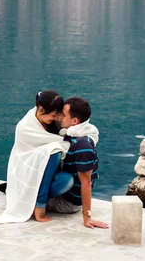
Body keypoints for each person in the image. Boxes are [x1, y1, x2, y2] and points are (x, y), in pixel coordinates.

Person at [0, 91, 73, 224]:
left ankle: (24, 192)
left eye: (57, 115)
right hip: (26, 172)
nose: (55, 118)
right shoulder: (24, 127)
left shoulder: (54, 122)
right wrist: (41, 205)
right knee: (54, 151)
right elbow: (23, 158)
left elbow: (73, 132)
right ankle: (38, 204)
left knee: (66, 181)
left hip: (47, 173)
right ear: (41, 110)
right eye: (53, 115)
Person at [46, 97, 109, 229]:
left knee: (25, 195)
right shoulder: (75, 134)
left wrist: (87, 217)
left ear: (75, 121)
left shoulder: (82, 145)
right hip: (65, 194)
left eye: (63, 114)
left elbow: (86, 182)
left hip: (67, 202)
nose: (59, 117)